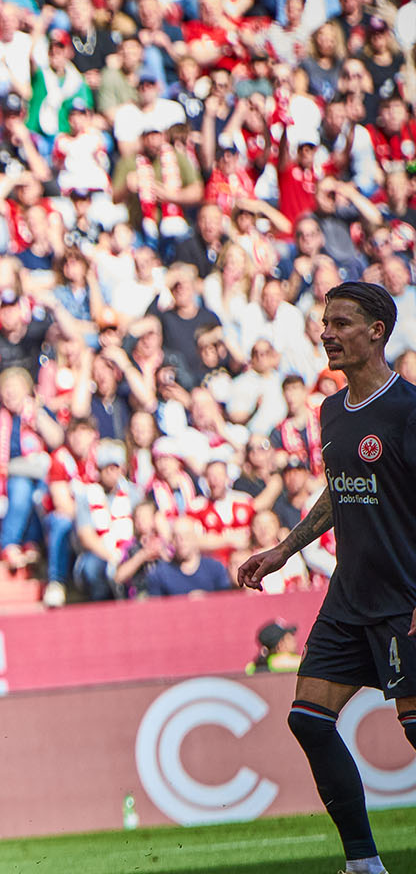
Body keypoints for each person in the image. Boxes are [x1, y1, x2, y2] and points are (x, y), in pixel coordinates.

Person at [238, 281, 416, 874]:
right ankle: (363, 863)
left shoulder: (407, 410)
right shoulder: (332, 411)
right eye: (324, 322)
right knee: (308, 719)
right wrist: (284, 550)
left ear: (376, 332)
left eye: (341, 323)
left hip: (404, 598)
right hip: (349, 597)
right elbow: (339, 492)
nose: (327, 333)